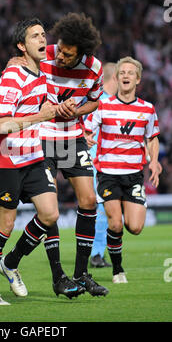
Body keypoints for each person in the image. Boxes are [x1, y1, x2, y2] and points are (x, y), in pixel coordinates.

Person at [0, 18, 84, 306]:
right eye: (34, 36)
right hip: (4, 156)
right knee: (6, 224)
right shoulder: (13, 76)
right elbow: (1, 125)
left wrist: (61, 109)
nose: (41, 39)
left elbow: (45, 108)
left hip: (32, 155)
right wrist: (42, 116)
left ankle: (10, 262)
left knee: (50, 215)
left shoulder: (41, 75)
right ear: (22, 46)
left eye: (42, 34)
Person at [3, 12, 108, 297]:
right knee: (49, 210)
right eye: (59, 49)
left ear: (82, 54)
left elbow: (94, 102)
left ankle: (82, 274)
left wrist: (76, 110)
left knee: (88, 201)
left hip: (73, 139)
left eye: (68, 54)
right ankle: (58, 277)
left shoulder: (94, 69)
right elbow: (18, 68)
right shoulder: (44, 55)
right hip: (42, 138)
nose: (60, 56)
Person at [85, 56, 161, 283]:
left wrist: (154, 162)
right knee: (115, 223)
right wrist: (87, 137)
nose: (126, 75)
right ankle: (117, 269)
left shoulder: (147, 109)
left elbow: (153, 138)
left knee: (135, 227)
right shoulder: (103, 105)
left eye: (130, 73)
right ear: (116, 78)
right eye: (122, 72)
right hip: (108, 174)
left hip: (134, 176)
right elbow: (87, 128)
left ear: (137, 79)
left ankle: (111, 252)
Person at [86, 63, 117, 268]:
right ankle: (96, 253)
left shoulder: (98, 101)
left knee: (103, 209)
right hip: (98, 165)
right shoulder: (103, 103)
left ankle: (96, 252)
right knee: (103, 209)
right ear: (113, 78)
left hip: (102, 165)